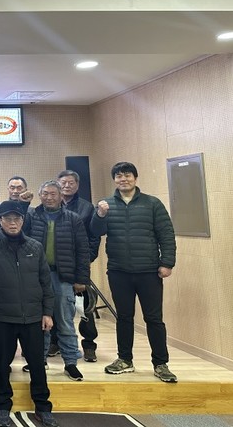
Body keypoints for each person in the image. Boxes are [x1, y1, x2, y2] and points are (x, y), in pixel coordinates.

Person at [0, 201, 58, 427]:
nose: (12, 222)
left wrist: (47, 312)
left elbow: (46, 283)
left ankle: (42, 407)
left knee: (37, 364)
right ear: (0, 221)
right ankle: (2, 406)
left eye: (16, 218)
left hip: (33, 317)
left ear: (22, 220)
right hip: (3, 317)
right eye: (7, 218)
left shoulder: (35, 246)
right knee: (2, 364)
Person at [91, 162, 178, 383]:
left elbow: (166, 234)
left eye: (127, 175)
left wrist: (167, 263)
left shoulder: (152, 203)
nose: (123, 179)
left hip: (149, 271)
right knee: (124, 317)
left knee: (154, 319)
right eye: (119, 176)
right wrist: (100, 214)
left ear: (135, 178)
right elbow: (95, 232)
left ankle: (161, 363)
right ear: (114, 180)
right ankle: (125, 360)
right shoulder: (106, 204)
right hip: (119, 271)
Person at [24, 181, 89, 382]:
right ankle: (39, 360)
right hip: (35, 278)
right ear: (40, 195)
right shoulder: (31, 216)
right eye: (45, 193)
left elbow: (82, 250)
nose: (49, 197)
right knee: (39, 322)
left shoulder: (73, 218)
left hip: (63, 278)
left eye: (53, 194)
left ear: (61, 196)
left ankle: (70, 362)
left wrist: (81, 279)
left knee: (65, 321)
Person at [56, 170, 99, 363]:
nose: (67, 186)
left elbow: (93, 237)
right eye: (63, 182)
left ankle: (89, 345)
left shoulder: (86, 207)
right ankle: (55, 342)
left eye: (71, 182)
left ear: (77, 185)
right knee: (55, 304)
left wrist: (87, 260)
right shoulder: (51, 204)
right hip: (57, 265)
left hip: (79, 264)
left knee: (84, 306)